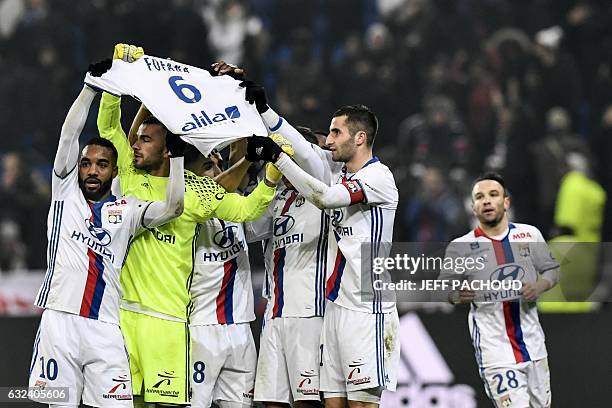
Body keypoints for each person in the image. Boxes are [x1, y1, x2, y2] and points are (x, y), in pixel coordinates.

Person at [93, 45, 278, 407]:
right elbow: (107, 125)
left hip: (170, 320)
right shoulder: (128, 174)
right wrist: (116, 78)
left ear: (167, 150)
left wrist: (272, 172)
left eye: (145, 140)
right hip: (123, 315)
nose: (134, 146)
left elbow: (245, 208)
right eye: (135, 140)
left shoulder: (194, 190)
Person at [28, 81, 186, 407]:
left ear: (114, 170)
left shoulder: (127, 209)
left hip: (106, 327)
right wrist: (89, 89)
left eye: (102, 164)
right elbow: (69, 135)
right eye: (86, 163)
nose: (92, 170)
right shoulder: (64, 194)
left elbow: (173, 208)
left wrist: (180, 158)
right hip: (61, 321)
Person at [243, 91, 401, 407]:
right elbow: (301, 147)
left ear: (359, 138)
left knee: (361, 404)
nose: (328, 140)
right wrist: (262, 108)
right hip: (336, 305)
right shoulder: (337, 170)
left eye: (335, 132)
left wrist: (278, 159)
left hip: (367, 306)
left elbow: (326, 198)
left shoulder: (378, 177)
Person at [439, 173, 559, 408]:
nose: (486, 201)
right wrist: (456, 294)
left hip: (534, 345)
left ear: (506, 202)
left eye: (493, 195)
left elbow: (552, 271)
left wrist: (540, 286)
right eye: (479, 197)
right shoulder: (460, 247)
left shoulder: (529, 234)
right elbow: (443, 287)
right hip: (495, 350)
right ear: (473, 207)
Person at [244, 127, 329, 408]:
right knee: (271, 401)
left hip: (309, 313)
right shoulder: (278, 197)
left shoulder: (325, 194)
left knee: (308, 401)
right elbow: (251, 228)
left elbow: (313, 160)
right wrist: (264, 180)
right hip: (273, 314)